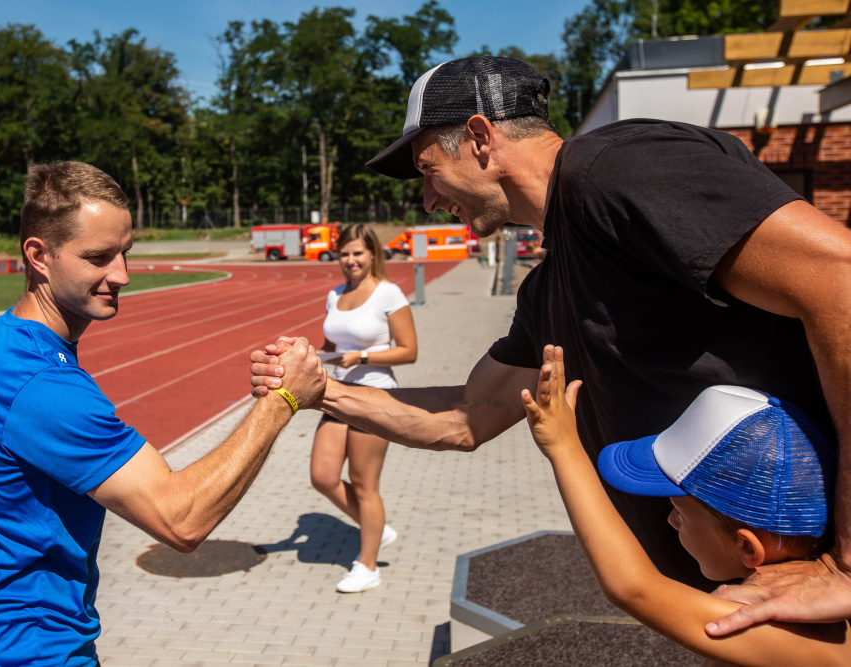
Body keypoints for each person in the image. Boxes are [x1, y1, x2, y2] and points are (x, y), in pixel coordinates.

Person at [249, 56, 851, 631]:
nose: (428, 198)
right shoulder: (549, 285)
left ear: (481, 137)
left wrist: (846, 564)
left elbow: (840, 282)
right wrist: (317, 391)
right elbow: (468, 416)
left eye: (428, 169)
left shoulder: (618, 168)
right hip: (733, 594)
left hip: (806, 581)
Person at [0, 161, 325, 667]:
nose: (121, 275)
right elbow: (181, 520)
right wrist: (283, 401)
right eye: (98, 257)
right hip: (34, 653)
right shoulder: (42, 386)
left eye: (126, 252)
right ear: (39, 255)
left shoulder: (2, 339)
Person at [521, 345, 848, 666]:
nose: (671, 521)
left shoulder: (776, 627)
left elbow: (633, 588)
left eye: (681, 513)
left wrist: (563, 448)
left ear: (748, 547)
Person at [312, 223, 417, 593]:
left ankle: (368, 566)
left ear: (373, 254)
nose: (351, 260)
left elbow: (409, 350)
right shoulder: (334, 294)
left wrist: (364, 356)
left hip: (375, 395)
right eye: (344, 253)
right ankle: (377, 528)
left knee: (363, 483)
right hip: (338, 394)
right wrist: (306, 352)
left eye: (358, 253)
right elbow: (331, 342)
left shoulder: (389, 294)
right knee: (322, 476)